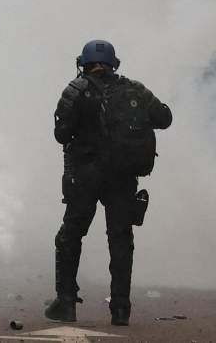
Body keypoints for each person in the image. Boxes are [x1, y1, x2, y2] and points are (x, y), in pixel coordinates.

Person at [46, 40, 172, 326]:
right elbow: (164, 118)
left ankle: (66, 303)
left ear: (85, 63)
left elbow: (61, 134)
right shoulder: (134, 90)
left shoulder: (75, 91)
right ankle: (120, 309)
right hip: (122, 177)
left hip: (86, 176)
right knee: (121, 239)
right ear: (114, 63)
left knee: (70, 236)